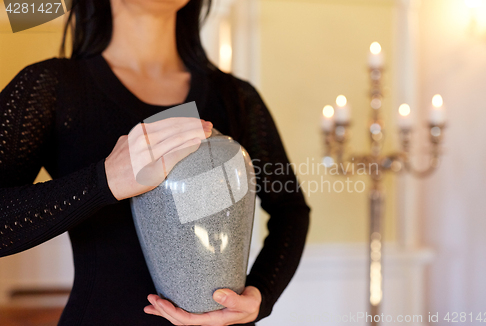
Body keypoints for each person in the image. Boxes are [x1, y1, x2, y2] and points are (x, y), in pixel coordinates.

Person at [0, 0, 310, 325]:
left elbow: (290, 208)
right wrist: (105, 180)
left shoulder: (236, 98)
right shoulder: (50, 89)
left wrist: (261, 294)